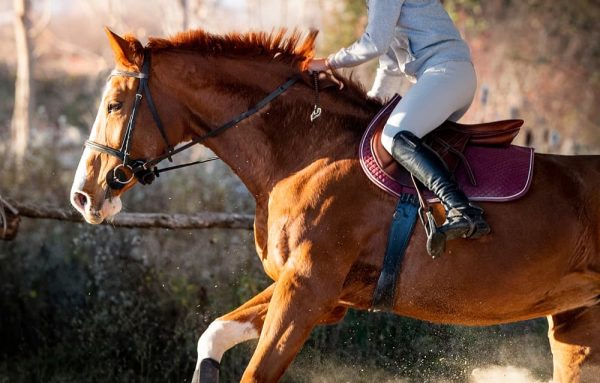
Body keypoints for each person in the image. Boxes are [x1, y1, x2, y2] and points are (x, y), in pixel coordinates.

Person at [308, 0, 490, 253]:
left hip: (446, 73)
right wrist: (369, 107)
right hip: (450, 76)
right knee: (399, 141)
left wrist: (328, 63)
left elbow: (374, 43)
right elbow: (390, 65)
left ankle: (461, 209)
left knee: (394, 135)